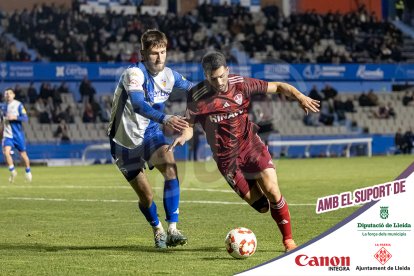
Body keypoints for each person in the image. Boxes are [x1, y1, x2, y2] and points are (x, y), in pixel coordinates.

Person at [168, 51, 320, 252]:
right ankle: (273, 210)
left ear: (227, 71)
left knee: (273, 191)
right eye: (214, 78)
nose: (220, 81)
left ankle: (289, 241)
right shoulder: (196, 95)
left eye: (222, 76)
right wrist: (183, 136)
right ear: (206, 76)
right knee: (262, 206)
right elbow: (189, 124)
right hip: (226, 159)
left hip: (250, 145)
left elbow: (279, 86)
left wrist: (299, 96)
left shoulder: (241, 83)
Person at [107, 29, 193, 249]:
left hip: (152, 133)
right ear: (143, 54)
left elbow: (195, 90)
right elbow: (137, 104)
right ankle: (157, 229)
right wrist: (166, 118)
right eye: (154, 53)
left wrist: (218, 89)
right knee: (146, 196)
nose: (159, 57)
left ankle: (173, 229)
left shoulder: (170, 76)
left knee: (171, 167)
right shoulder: (133, 74)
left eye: (163, 52)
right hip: (124, 141)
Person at [1, 88, 32, 183]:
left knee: (23, 155)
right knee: (6, 152)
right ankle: (13, 171)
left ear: (13, 95)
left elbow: (25, 118)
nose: (8, 95)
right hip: (7, 135)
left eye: (10, 93)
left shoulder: (18, 105)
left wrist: (15, 117)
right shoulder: (3, 106)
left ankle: (28, 171)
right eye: (6, 94)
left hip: (17, 135)